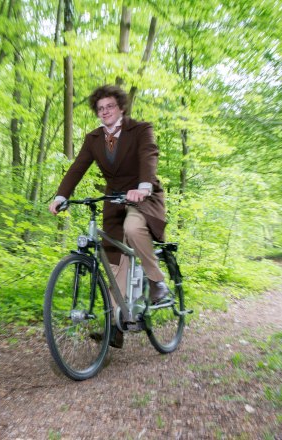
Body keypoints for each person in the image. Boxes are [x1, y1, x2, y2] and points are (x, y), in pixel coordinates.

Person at [48, 85, 171, 348]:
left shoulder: (140, 129)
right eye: (100, 108)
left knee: (134, 227)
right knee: (114, 261)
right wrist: (61, 196)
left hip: (142, 196)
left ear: (121, 107)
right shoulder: (94, 139)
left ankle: (156, 281)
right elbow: (77, 167)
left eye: (110, 106)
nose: (104, 111)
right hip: (113, 201)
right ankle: (117, 325)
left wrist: (144, 186)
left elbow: (148, 155)